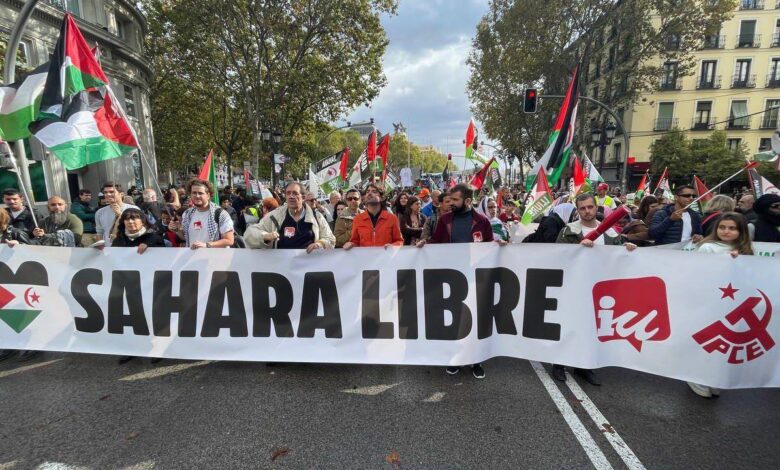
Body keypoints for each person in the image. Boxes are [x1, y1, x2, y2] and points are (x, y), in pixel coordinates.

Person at [552, 193, 637, 385]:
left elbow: (618, 254)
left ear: (596, 206)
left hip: (599, 290)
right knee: (568, 326)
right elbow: (559, 255)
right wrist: (577, 248)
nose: (587, 211)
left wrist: (628, 248)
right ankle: (559, 364)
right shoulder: (569, 231)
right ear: (577, 210)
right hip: (574, 288)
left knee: (591, 329)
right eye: (582, 208)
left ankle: (584, 366)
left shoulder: (610, 233)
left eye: (590, 207)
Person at [417, 183, 499, 379]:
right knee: (454, 321)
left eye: (455, 200)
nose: (450, 203)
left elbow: (489, 246)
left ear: (468, 201)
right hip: (452, 279)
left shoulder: (482, 222)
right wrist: (425, 243)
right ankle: (455, 358)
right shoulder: (445, 220)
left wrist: (499, 246)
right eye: (450, 199)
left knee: (475, 321)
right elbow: (436, 243)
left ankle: (476, 360)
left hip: (475, 280)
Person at [688, 212, 754, 398]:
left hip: (733, 307)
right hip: (708, 303)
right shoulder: (708, 247)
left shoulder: (747, 251)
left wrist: (741, 261)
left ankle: (713, 377)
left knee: (724, 343)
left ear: (741, 232)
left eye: (732, 228)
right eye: (722, 227)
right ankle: (696, 376)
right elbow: (694, 271)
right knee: (706, 340)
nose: (726, 231)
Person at [245, 182, 335, 252]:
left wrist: (320, 244)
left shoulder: (317, 217)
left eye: (295, 193)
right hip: (282, 269)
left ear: (303, 197)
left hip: (309, 268)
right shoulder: (275, 216)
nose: (291, 196)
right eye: (288, 193)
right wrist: (265, 236)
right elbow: (249, 234)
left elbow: (330, 239)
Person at [0, 209, 35, 362]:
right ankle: (7, 345)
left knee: (19, 312)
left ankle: (30, 344)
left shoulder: (14, 233)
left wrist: (19, 245)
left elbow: (35, 253)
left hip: (15, 280)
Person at [169, 178, 235, 249]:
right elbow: (186, 237)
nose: (197, 196)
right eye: (194, 193)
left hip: (214, 258)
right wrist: (177, 230)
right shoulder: (187, 214)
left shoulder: (220, 214)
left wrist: (207, 245)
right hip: (192, 258)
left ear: (208, 195)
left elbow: (229, 240)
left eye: (200, 193)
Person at [342, 183, 403, 249]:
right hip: (365, 258)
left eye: (374, 191)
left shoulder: (392, 218)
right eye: (367, 191)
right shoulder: (358, 219)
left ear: (382, 198)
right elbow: (355, 241)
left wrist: (393, 246)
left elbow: (399, 241)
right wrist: (351, 244)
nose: (370, 193)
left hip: (385, 258)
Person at [95, 182, 139, 246]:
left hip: (130, 248)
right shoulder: (99, 212)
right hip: (109, 250)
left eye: (111, 192)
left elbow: (137, 229)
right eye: (105, 192)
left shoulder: (133, 209)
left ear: (121, 194)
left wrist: (120, 215)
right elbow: (99, 233)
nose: (108, 194)